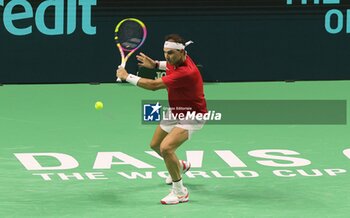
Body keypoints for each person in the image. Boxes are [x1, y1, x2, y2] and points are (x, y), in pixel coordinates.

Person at [116, 34, 207, 205]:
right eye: (165, 52)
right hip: (176, 110)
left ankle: (180, 192)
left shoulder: (186, 72)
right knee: (155, 145)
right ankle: (180, 165)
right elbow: (167, 64)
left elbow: (153, 86)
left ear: (182, 52)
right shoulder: (178, 60)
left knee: (166, 148)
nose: (167, 56)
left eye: (171, 53)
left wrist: (127, 76)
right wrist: (156, 64)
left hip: (193, 115)